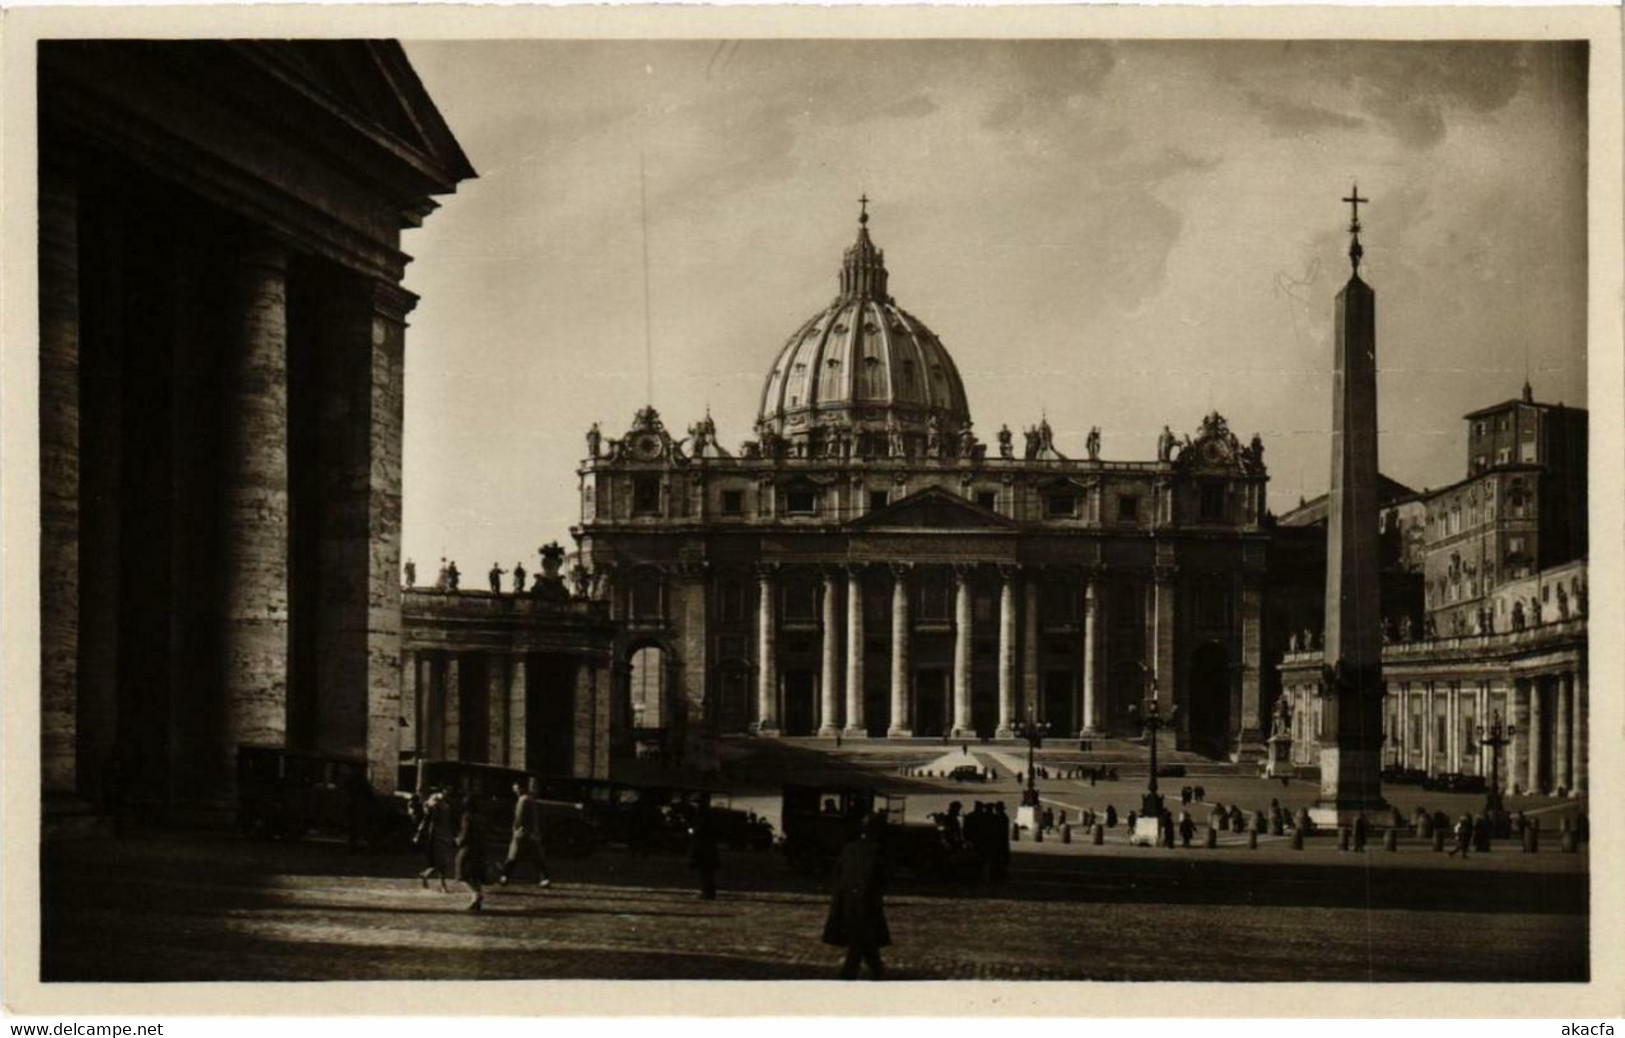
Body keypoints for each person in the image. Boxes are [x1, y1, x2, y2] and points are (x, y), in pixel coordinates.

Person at [823, 813, 891, 980]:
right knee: (861, 939)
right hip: (866, 902)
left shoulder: (849, 848)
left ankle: (874, 969)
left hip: (847, 901)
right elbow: (881, 877)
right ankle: (852, 972)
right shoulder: (877, 850)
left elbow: (838, 874)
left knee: (861, 938)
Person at [499, 780, 552, 888]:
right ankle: (544, 879)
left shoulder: (523, 800)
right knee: (536, 858)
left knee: (513, 857)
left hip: (523, 833)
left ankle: (504, 876)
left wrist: (516, 829)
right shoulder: (531, 800)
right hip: (531, 833)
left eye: (515, 788)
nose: (514, 790)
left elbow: (519, 818)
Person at [416, 790, 453, 892]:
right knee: (441, 861)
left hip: (441, 836)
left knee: (441, 862)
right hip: (438, 837)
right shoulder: (438, 808)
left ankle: (429, 876)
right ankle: (441, 884)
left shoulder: (442, 807)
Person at [689, 806, 720, 900]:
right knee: (707, 874)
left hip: (703, 851)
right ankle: (709, 892)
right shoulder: (711, 823)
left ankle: (707, 893)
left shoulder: (701, 824)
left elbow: (697, 833)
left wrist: (692, 831)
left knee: (704, 873)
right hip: (709, 851)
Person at [990, 803, 1012, 880]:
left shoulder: (997, 818)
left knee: (997, 859)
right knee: (1000, 859)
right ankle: (999, 875)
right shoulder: (1004, 817)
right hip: (1002, 841)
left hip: (998, 841)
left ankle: (997, 875)